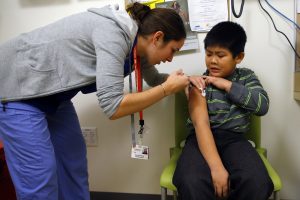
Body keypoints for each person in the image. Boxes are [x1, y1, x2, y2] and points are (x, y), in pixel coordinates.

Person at [0, 2, 190, 200]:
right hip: (18, 90)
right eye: (173, 50)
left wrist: (185, 80)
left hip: (53, 97)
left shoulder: (137, 48)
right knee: (41, 176)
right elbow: (113, 106)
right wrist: (167, 89)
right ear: (157, 37)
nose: (170, 59)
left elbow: (155, 80)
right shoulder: (114, 34)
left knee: (74, 164)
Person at [172, 21, 274, 200]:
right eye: (209, 54)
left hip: (235, 140)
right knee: (190, 180)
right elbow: (200, 123)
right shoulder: (199, 82)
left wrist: (227, 85)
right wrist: (217, 168)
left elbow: (262, 106)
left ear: (238, 57)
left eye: (220, 55)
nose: (213, 60)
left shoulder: (246, 78)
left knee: (257, 181)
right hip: (200, 139)